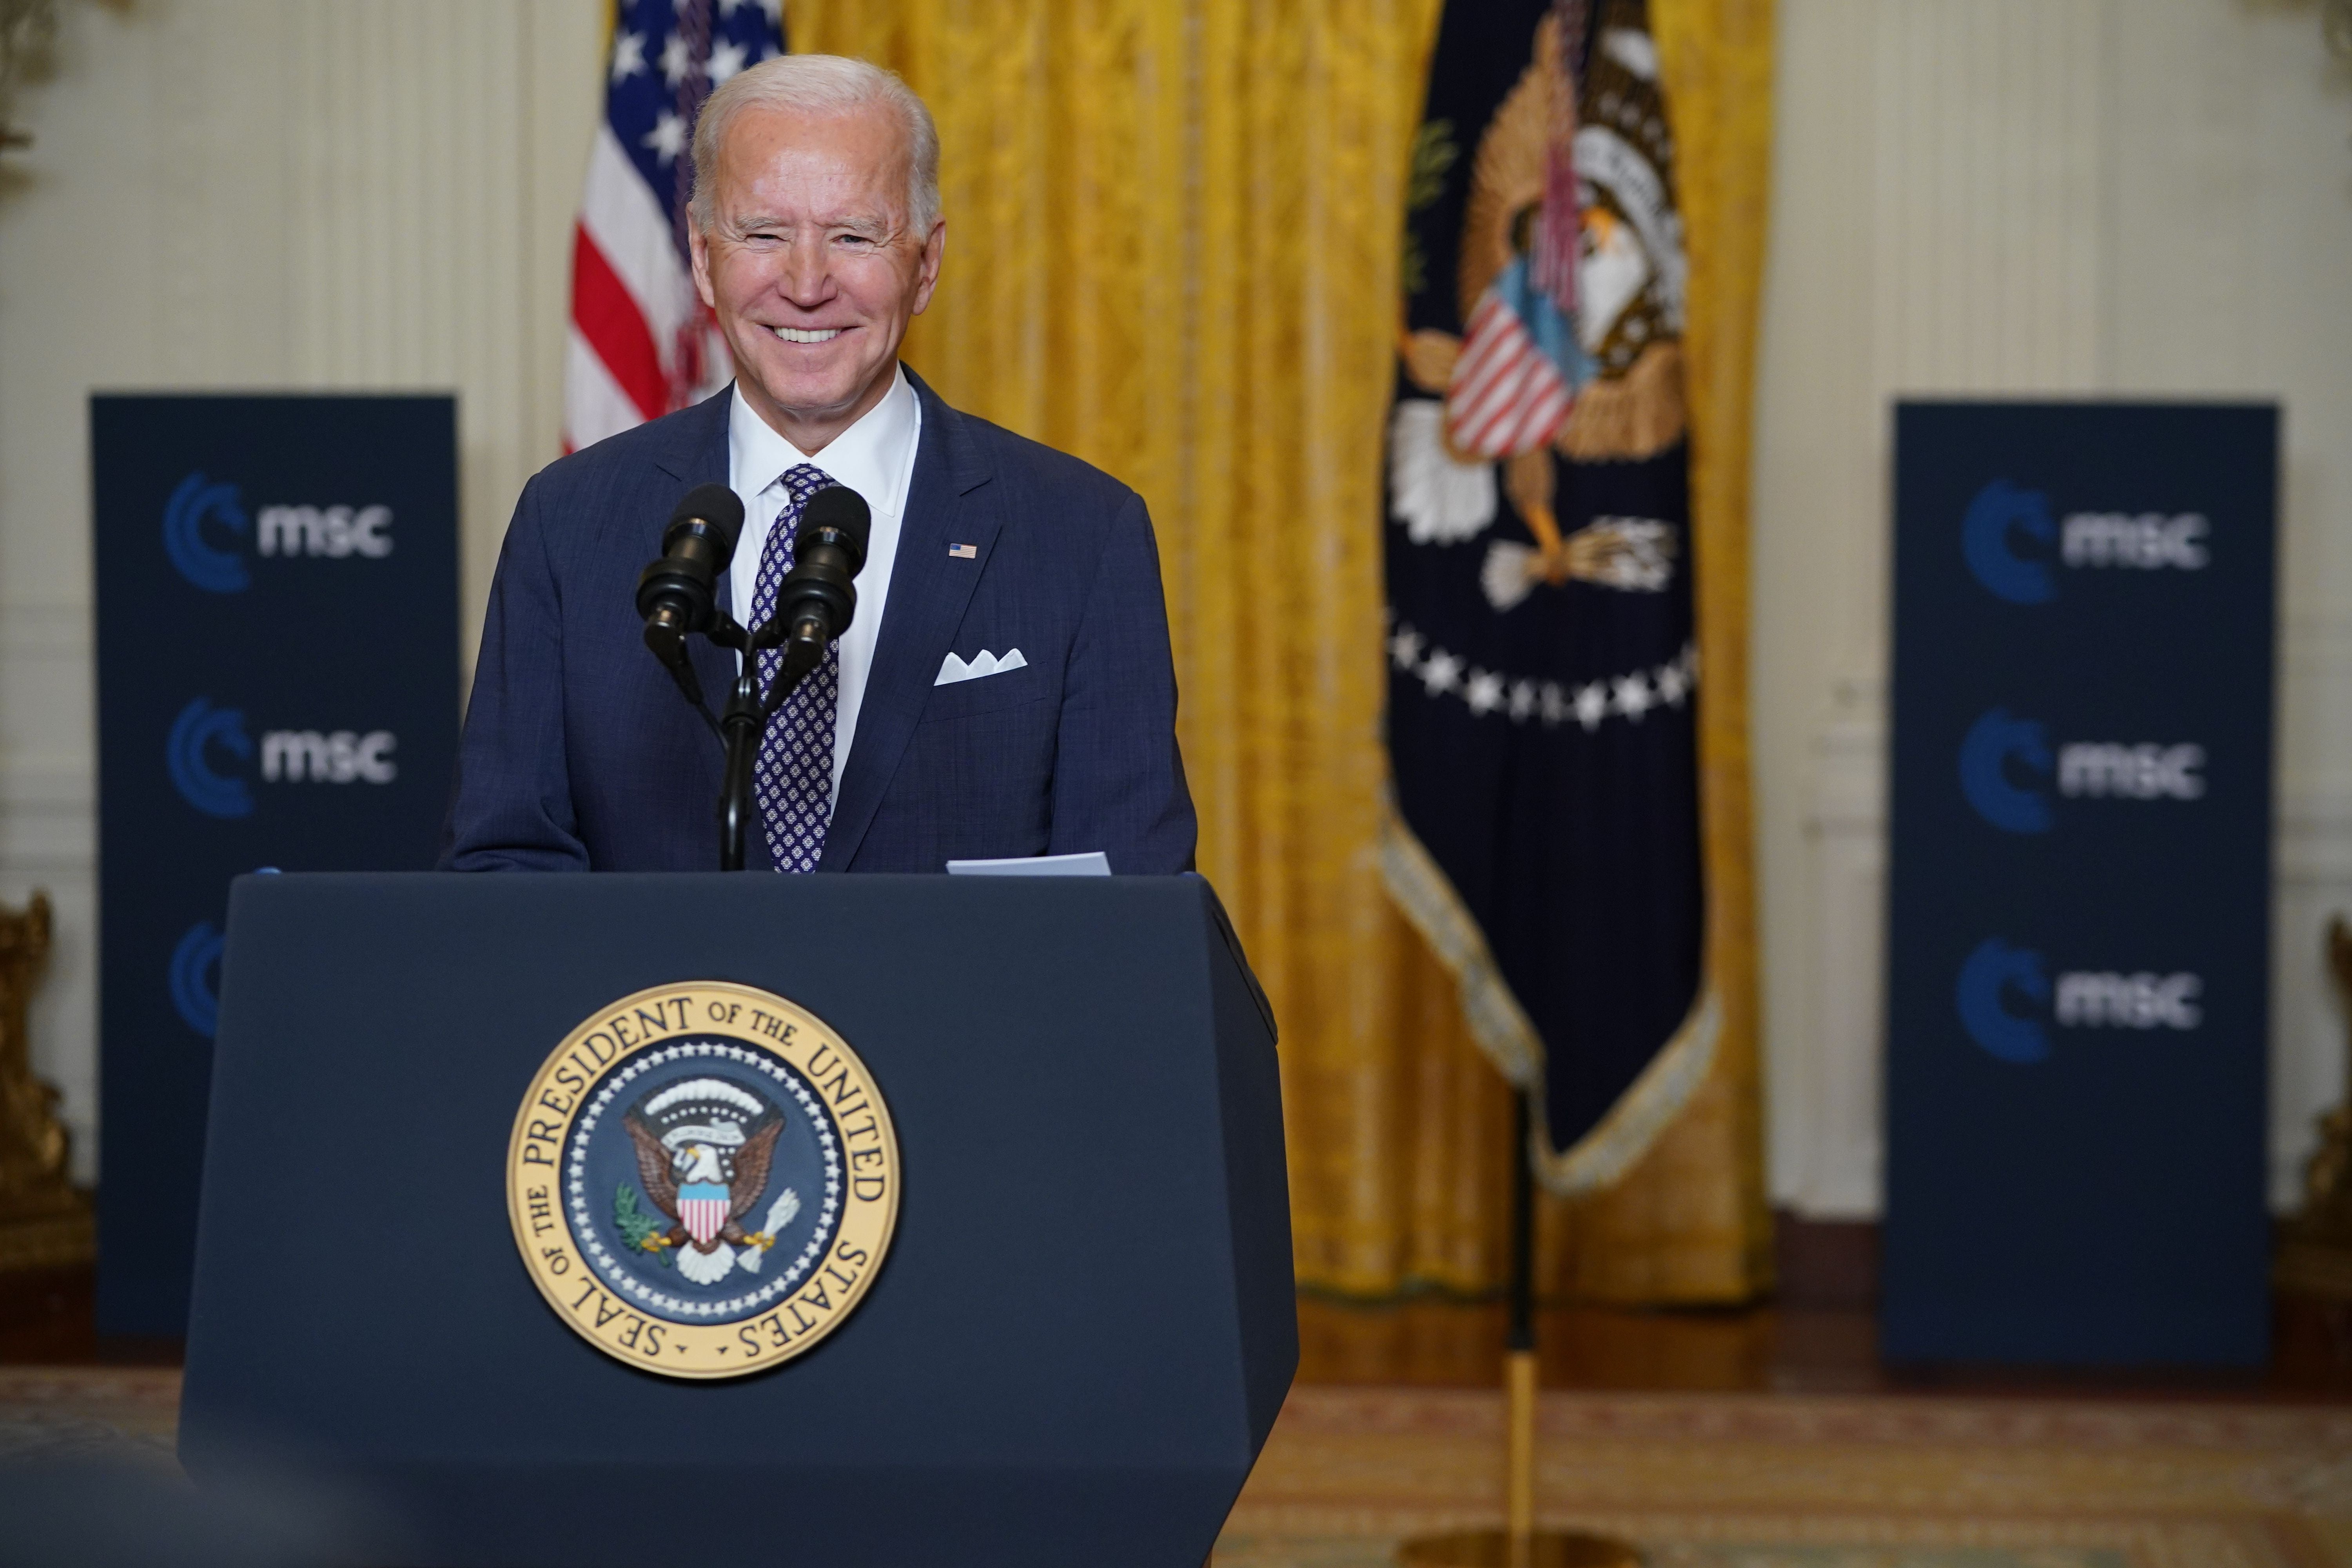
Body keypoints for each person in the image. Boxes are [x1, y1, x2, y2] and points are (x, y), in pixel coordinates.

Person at [441, 55, 1194, 874]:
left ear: (926, 261)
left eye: (852, 236)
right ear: (701, 256)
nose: (805, 284)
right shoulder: (571, 521)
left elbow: (1129, 904)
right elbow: (504, 871)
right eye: (763, 234)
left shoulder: (1081, 535)